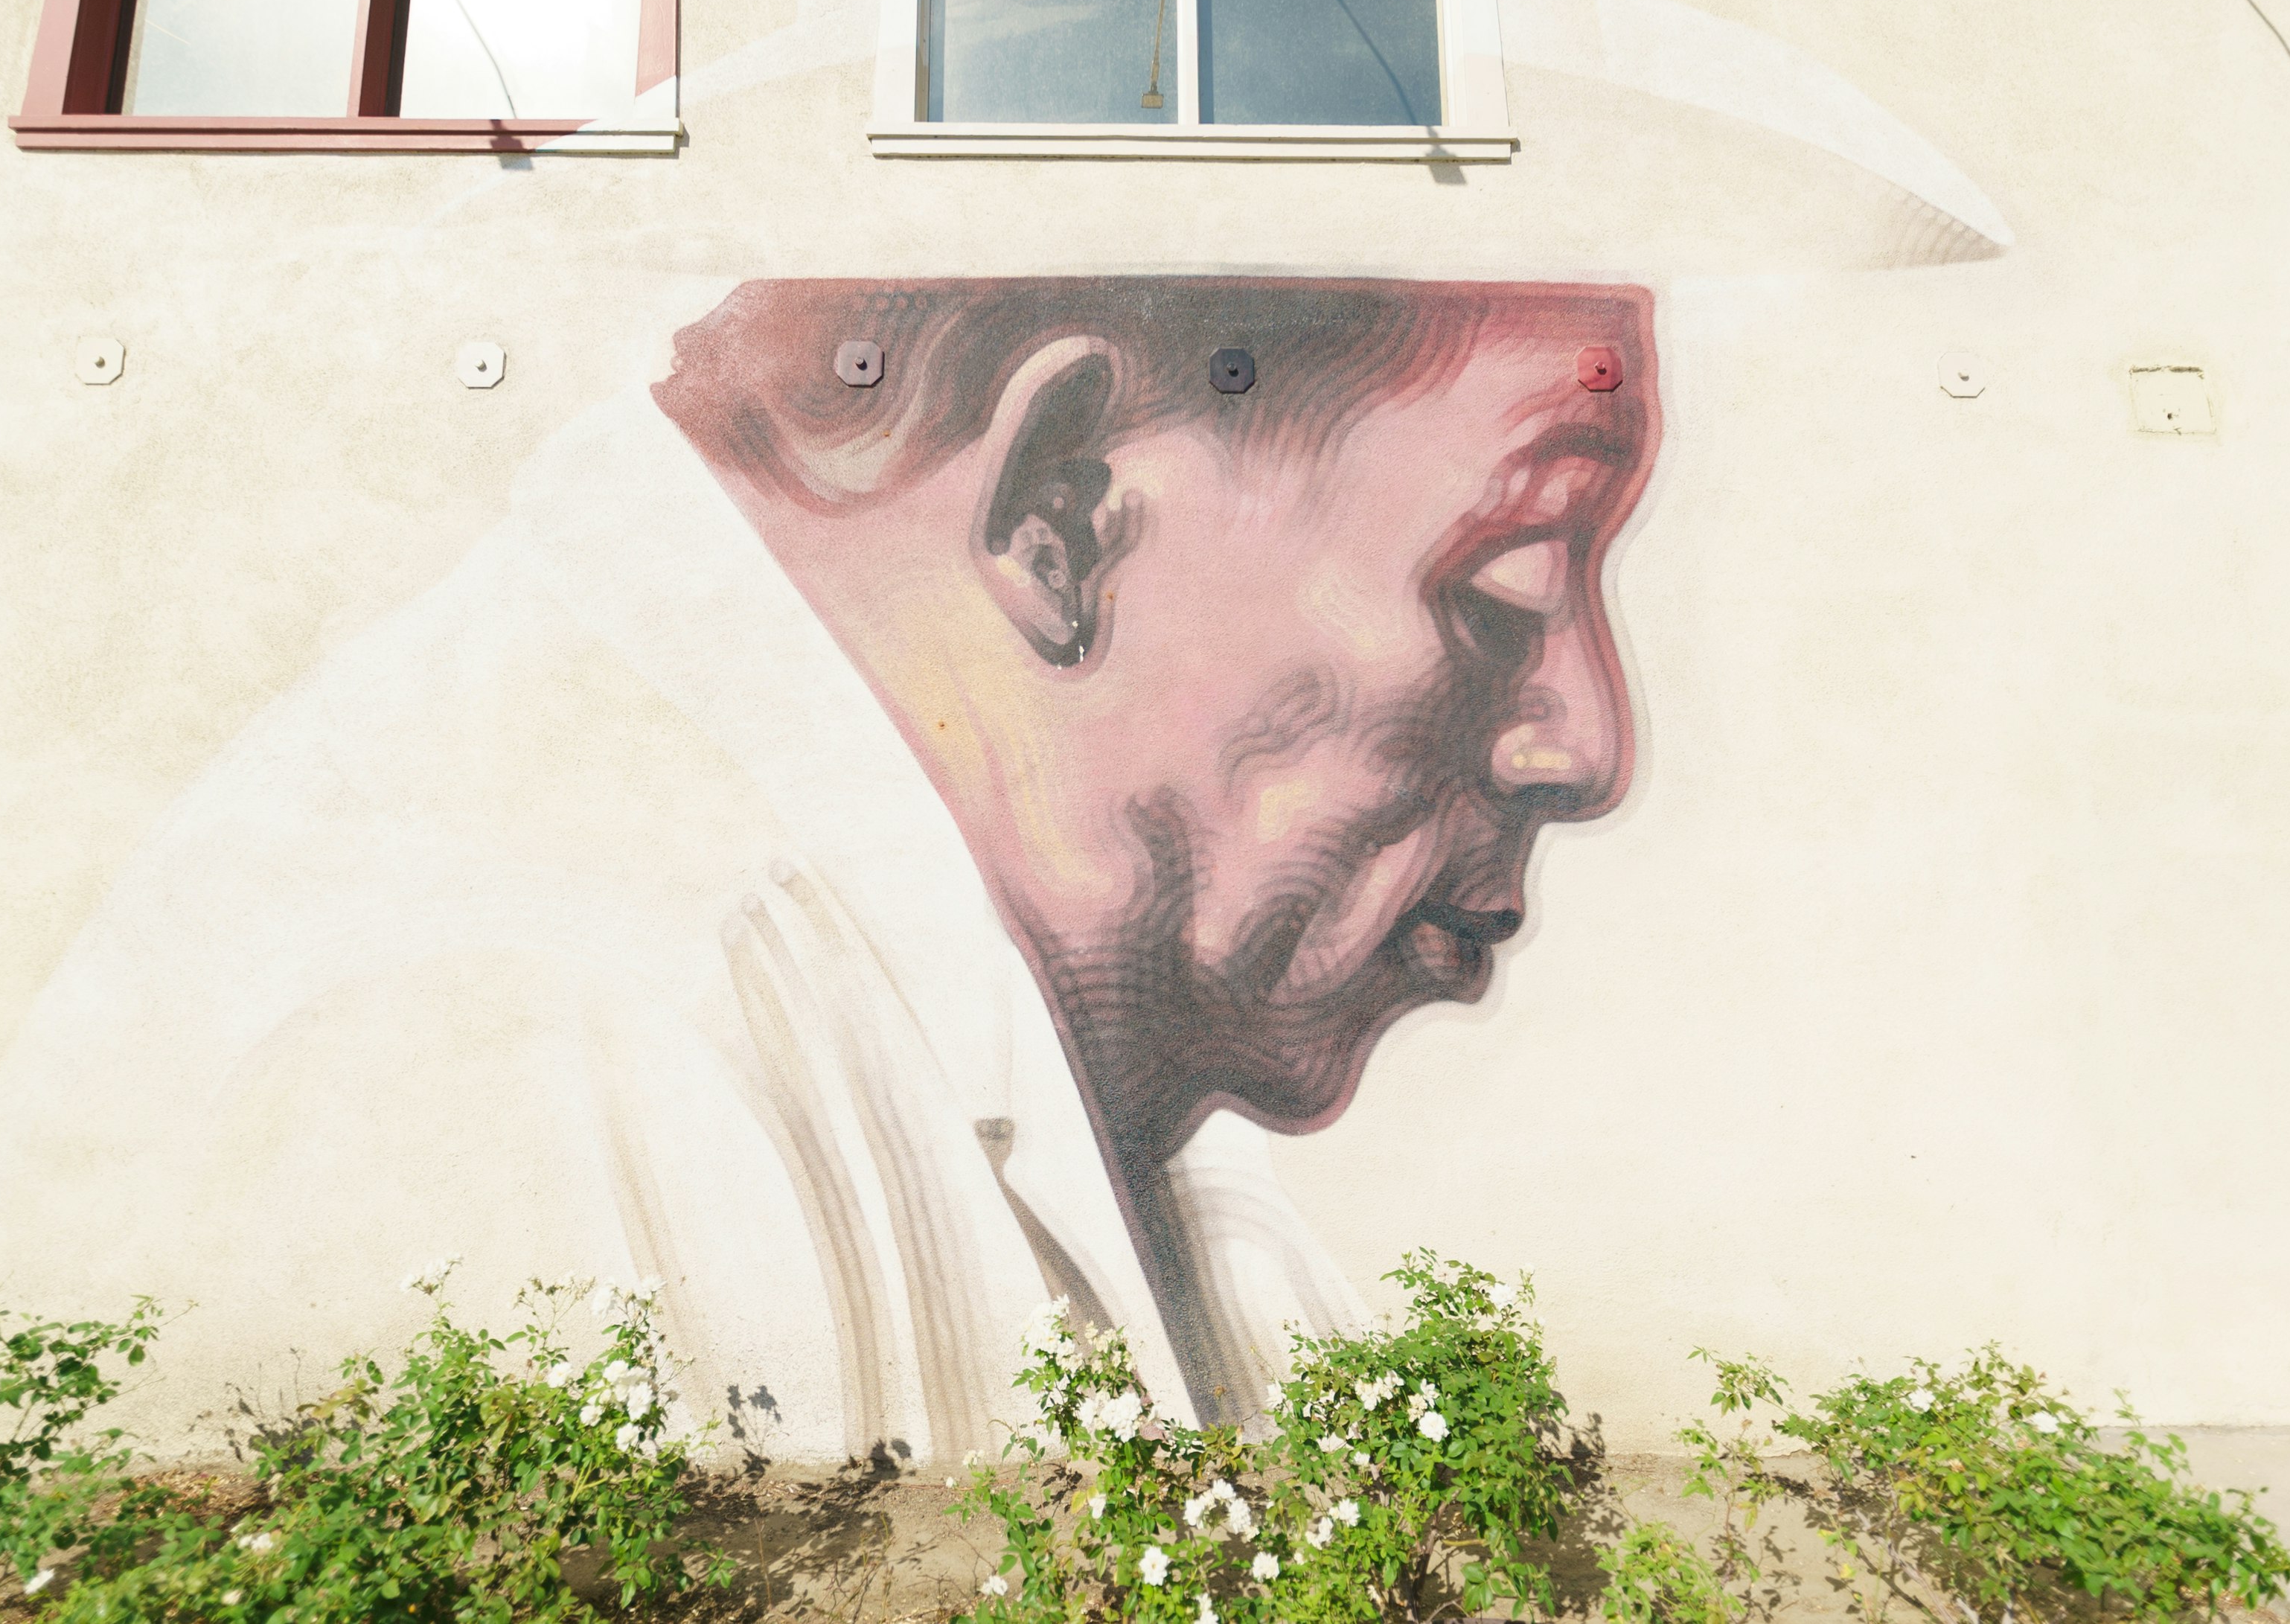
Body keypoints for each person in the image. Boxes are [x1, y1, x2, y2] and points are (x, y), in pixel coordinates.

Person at [653, 278, 1658, 1415]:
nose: (1588, 748)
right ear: (1062, 523)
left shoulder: (1145, 1117)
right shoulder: (614, 1035)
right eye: (1503, 590)